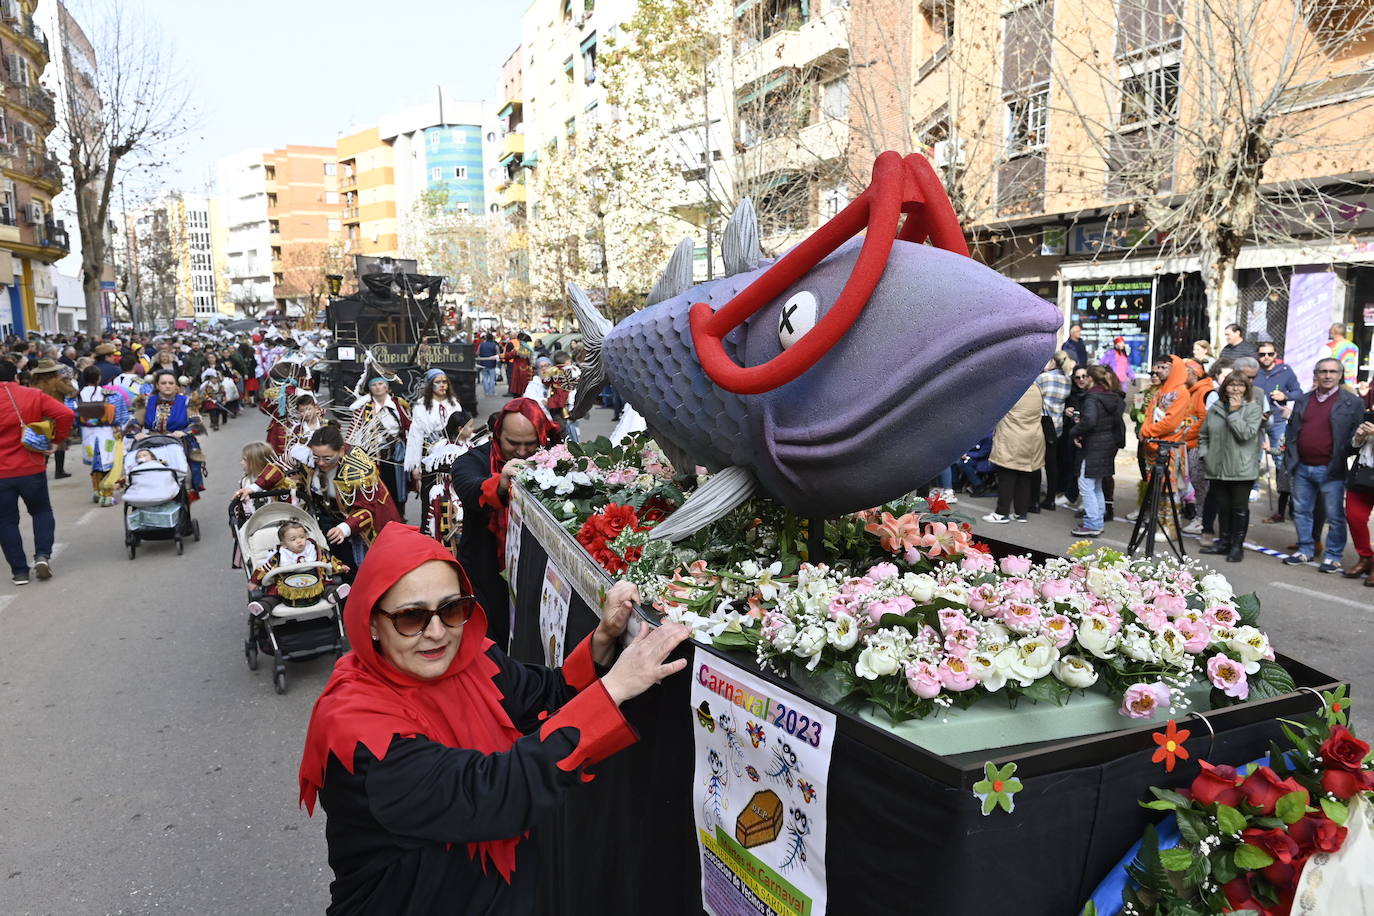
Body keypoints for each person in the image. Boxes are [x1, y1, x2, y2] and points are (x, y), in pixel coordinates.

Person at [298, 523, 691, 915]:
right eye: (411, 618)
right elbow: (489, 793)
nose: (437, 633)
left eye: (452, 609)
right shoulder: (355, 728)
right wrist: (614, 690)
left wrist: (605, 638)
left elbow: (546, 695)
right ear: (371, 623)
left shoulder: (470, 660)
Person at [451, 399, 563, 648]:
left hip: (539, 578)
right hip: (487, 577)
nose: (522, 452)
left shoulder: (556, 459)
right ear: (497, 435)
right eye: (513, 443)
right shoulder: (471, 461)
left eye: (530, 444)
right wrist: (501, 484)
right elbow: (469, 488)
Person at [235, 425, 402, 572]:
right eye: (316, 457)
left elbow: (366, 509)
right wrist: (254, 487)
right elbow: (280, 465)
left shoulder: (358, 469)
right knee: (332, 562)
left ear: (341, 451)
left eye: (327, 458)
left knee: (364, 567)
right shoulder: (305, 452)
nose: (321, 463)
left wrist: (344, 528)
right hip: (324, 514)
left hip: (359, 523)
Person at [1282, 357, 1364, 572]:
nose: (1328, 375)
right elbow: (1292, 431)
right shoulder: (1303, 400)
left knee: (1335, 516)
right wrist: (1291, 458)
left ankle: (1333, 556)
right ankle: (1305, 550)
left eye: (1332, 372)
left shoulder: (1352, 402)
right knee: (1301, 511)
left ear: (1340, 375)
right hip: (1302, 467)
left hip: (1332, 469)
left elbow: (1357, 438)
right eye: (1323, 371)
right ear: (1315, 375)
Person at [0, 359, 74, 585]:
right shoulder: (31, 394)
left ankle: (19, 572)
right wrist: (56, 441)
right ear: (15, 377)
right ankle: (42, 555)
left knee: (5, 522)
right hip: (31, 465)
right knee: (41, 511)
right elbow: (66, 414)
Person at [1197, 370, 1265, 562]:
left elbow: (1245, 434)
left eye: (1240, 385)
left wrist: (1235, 413)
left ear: (1247, 389)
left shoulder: (1253, 408)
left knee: (1239, 508)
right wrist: (1205, 454)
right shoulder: (1216, 407)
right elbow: (1204, 435)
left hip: (1241, 469)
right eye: (1231, 384)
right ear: (1224, 387)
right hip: (1216, 467)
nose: (1235, 388)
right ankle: (1224, 542)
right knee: (1223, 507)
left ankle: (1237, 546)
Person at [246, 520, 350, 618]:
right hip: (287, 586)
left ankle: (333, 594)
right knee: (274, 593)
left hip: (315, 580)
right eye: (293, 539)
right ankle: (263, 607)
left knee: (326, 584)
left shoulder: (314, 549)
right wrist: (255, 581)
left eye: (302, 537)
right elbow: (265, 569)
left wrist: (340, 567)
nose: (299, 541)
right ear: (284, 544)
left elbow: (328, 560)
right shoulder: (280, 556)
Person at [1070, 366, 1126, 538]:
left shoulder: (1092, 398)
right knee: (1096, 485)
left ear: (1091, 379)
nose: (1083, 379)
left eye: (1086, 376)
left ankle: (1093, 523)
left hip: (1094, 446)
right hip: (1107, 445)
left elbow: (1090, 421)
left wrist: (1075, 431)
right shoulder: (1112, 396)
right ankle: (1096, 520)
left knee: (1086, 485)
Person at [407, 369, 464, 533]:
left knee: (452, 495)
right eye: (437, 382)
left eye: (444, 382)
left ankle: (450, 531)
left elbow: (461, 430)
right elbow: (415, 436)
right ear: (430, 385)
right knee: (429, 495)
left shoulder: (454, 403)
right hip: (430, 459)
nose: (442, 385)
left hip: (452, 457)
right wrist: (415, 465)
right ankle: (427, 531)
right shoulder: (421, 406)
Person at [133, 372, 206, 500]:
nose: (167, 386)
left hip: (179, 442)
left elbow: (197, 423)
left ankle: (186, 494)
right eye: (163, 383)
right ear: (157, 385)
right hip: (152, 442)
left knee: (187, 472)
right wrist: (137, 433)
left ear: (176, 386)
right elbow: (133, 423)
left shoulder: (186, 401)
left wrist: (184, 431)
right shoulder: (147, 401)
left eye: (171, 383)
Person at [350, 370, 412, 517]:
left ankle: (399, 516)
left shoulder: (398, 405)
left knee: (399, 489)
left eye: (381, 384)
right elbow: (355, 432)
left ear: (387, 387)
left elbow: (408, 426)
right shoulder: (364, 408)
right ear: (370, 388)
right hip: (374, 455)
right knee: (377, 490)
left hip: (396, 453)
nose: (378, 387)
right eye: (374, 385)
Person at [982, 383, 1044, 524]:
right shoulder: (1037, 388)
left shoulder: (1014, 388)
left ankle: (1001, 513)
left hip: (1011, 438)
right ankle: (1020, 513)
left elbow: (995, 408)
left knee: (1007, 476)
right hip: (1032, 437)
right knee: (1024, 476)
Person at [75, 364, 130, 506]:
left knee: (95, 463)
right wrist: (121, 428)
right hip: (108, 434)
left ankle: (96, 490)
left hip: (87, 434)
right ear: (99, 378)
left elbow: (71, 414)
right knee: (108, 463)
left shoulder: (77, 396)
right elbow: (121, 414)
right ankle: (106, 495)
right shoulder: (111, 395)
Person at [1344, 387, 1374, 585]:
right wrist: (1359, 438)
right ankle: (1365, 557)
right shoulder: (1368, 415)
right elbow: (1349, 448)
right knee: (1355, 517)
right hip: (1362, 476)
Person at [1033, 354, 1071, 511]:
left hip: (1041, 423)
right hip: (1057, 426)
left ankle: (1034, 500)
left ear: (1053, 362)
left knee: (1035, 462)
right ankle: (1050, 499)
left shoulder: (1043, 378)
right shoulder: (1067, 380)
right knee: (1051, 464)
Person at [27, 359, 76, 479]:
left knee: (43, 445)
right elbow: (71, 392)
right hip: (56, 415)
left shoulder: (34, 382)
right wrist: (67, 381)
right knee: (59, 443)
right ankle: (59, 471)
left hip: (39, 417)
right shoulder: (57, 381)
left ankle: (40, 470)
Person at [1057, 364, 1092, 508]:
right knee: (1072, 465)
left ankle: (1085, 500)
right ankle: (1070, 495)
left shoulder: (1093, 394)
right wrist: (1066, 411)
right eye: (1077, 377)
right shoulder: (1071, 393)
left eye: (1084, 376)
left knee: (1087, 469)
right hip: (1073, 434)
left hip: (1089, 436)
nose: (1081, 380)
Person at [1324, 323, 1361, 390]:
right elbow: (1355, 368)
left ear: (1333, 332)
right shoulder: (1354, 347)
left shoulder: (1329, 347)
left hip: (1333, 383)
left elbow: (1323, 367)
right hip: (1350, 383)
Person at [476, 332, 501, 397]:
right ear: (492, 338)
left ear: (486, 338)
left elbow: (477, 353)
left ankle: (486, 392)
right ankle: (491, 392)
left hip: (483, 363)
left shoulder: (481, 345)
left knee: (484, 378)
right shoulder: (495, 345)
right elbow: (498, 354)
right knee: (492, 378)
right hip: (492, 363)